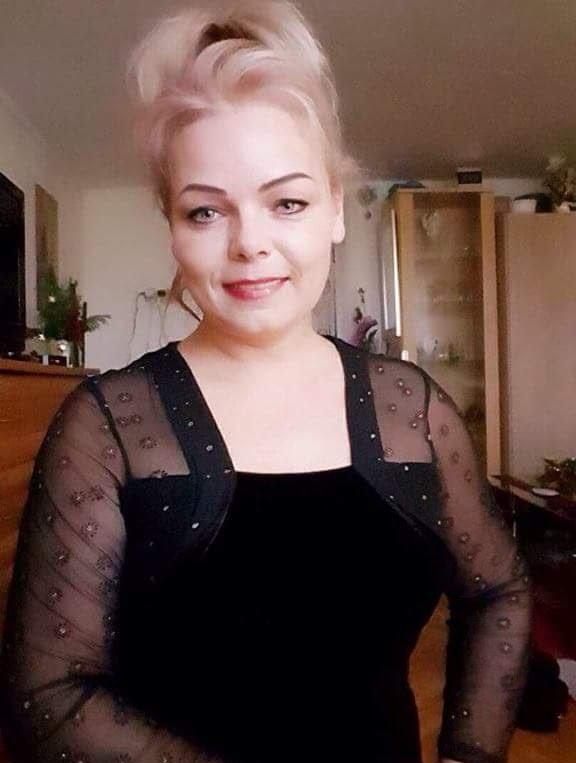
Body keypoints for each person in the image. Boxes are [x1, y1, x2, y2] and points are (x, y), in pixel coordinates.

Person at [0, 2, 532, 762]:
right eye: (206, 211)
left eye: (287, 201)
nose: (251, 243)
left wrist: (467, 752)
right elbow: (48, 695)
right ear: (171, 226)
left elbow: (499, 591)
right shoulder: (107, 426)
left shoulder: (412, 411)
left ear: (335, 211)